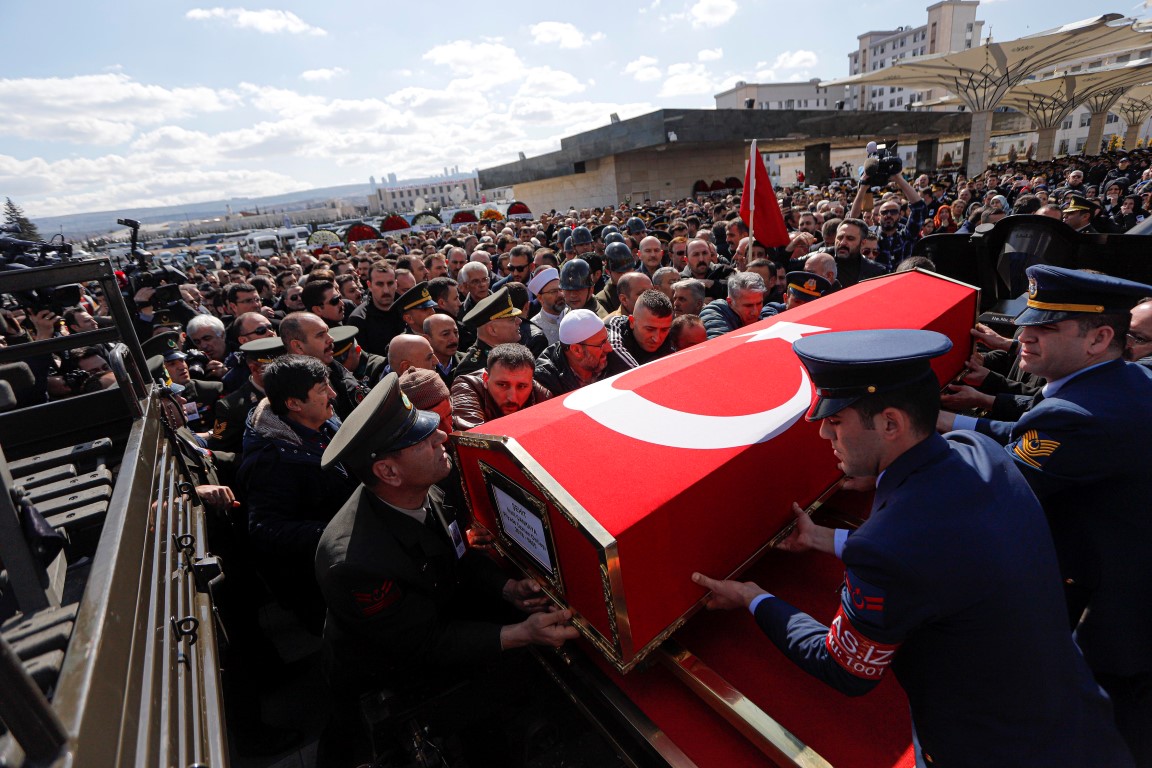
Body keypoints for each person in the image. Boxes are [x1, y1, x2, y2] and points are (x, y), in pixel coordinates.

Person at [692, 329, 1133, 768]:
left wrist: (754, 598)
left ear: (891, 424)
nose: (824, 433)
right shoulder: (976, 450)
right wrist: (828, 533)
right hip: (1079, 724)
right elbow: (939, 553)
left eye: (836, 420)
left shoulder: (887, 546)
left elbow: (845, 667)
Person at [937, 265, 1152, 763]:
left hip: (1111, 633)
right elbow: (1033, 437)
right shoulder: (1128, 380)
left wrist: (902, 449)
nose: (1024, 336)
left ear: (1099, 338)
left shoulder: (1078, 413)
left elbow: (990, 491)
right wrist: (950, 420)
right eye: (1027, 323)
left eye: (1046, 327)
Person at [314, 374, 578, 764]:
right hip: (398, 673)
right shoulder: (356, 564)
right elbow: (421, 645)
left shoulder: (424, 487)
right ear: (389, 472)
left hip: (441, 618)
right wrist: (521, 633)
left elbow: (456, 555)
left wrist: (506, 588)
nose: (441, 435)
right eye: (422, 438)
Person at [238, 354, 358, 635]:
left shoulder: (324, 420)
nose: (333, 394)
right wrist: (335, 533)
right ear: (293, 404)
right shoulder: (271, 461)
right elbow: (266, 529)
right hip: (320, 584)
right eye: (322, 390)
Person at [449, 343, 552, 430]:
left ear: (531, 382)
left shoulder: (541, 394)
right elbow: (476, 438)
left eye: (521, 386)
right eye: (502, 385)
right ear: (486, 379)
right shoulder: (467, 386)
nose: (512, 397)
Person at [534, 309, 628, 396]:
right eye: (601, 344)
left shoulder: (613, 353)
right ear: (576, 350)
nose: (609, 348)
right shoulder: (547, 379)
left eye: (607, 339)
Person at [455, 286, 526, 378]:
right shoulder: (472, 368)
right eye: (512, 320)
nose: (519, 321)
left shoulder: (512, 352)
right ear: (492, 330)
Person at [347, 261, 405, 356]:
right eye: (380, 284)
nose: (386, 290)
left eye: (390, 283)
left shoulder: (407, 309)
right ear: (369, 285)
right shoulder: (359, 319)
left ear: (396, 284)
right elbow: (362, 358)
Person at [605, 289, 675, 368]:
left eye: (664, 330)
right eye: (650, 329)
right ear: (632, 322)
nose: (657, 338)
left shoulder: (674, 333)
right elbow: (613, 347)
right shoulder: (616, 326)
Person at [699, 271, 776, 340]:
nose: (755, 312)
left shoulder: (766, 313)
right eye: (748, 305)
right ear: (730, 302)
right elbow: (721, 345)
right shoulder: (713, 314)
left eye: (759, 303)